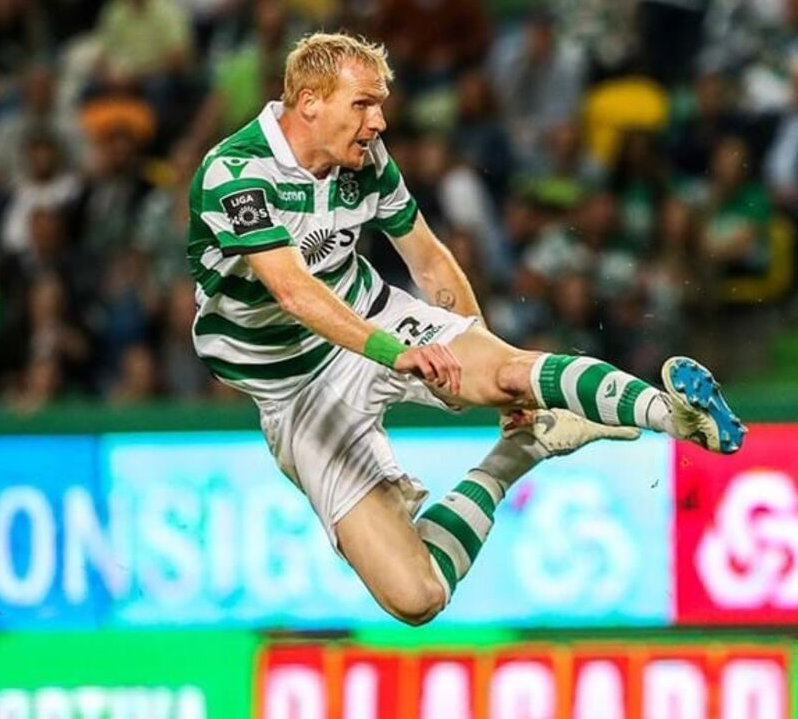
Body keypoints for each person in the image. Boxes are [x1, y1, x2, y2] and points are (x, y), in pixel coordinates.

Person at [187, 32, 747, 626]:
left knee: (508, 372)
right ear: (309, 103)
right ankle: (518, 453)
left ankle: (673, 415)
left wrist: (478, 352)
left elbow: (428, 259)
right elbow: (293, 291)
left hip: (369, 314)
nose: (378, 122)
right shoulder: (235, 172)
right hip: (294, 393)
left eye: (380, 105)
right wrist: (394, 353)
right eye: (363, 104)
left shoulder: (366, 158)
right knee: (417, 597)